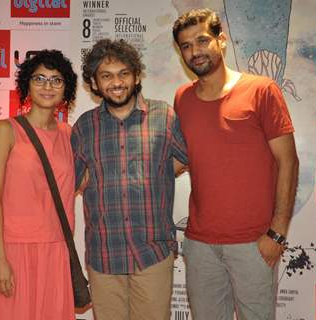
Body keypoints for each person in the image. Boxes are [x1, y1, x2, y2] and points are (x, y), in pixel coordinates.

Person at [172, 8, 299, 320]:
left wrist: (278, 232)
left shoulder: (261, 90)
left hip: (255, 243)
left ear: (222, 40)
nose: (194, 51)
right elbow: (180, 160)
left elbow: (288, 161)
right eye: (186, 46)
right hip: (199, 244)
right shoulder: (182, 99)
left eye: (202, 41)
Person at [71, 39, 188, 320]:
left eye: (124, 73)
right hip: (104, 254)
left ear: (136, 76)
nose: (117, 82)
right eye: (106, 76)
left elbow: (185, 158)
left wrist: (157, 173)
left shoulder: (165, 116)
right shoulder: (85, 126)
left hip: (152, 252)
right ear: (94, 84)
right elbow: (72, 180)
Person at [0, 50, 78, 320]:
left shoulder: (71, 135)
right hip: (12, 248)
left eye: (56, 80)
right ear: (27, 85)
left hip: (55, 249)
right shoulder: (6, 130)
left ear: (67, 88)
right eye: (39, 78)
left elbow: (86, 179)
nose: (47, 86)